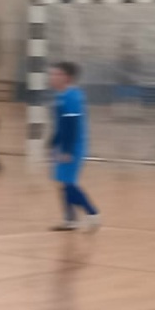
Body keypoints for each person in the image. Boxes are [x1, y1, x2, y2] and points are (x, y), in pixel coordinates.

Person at [48, 61, 101, 232]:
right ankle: (70, 220)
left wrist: (67, 150)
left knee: (69, 184)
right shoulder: (60, 96)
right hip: (64, 145)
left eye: (56, 74)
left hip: (73, 147)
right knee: (63, 183)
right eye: (52, 74)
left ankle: (92, 213)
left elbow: (71, 125)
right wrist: (53, 142)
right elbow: (61, 124)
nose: (52, 77)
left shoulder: (72, 97)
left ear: (67, 78)